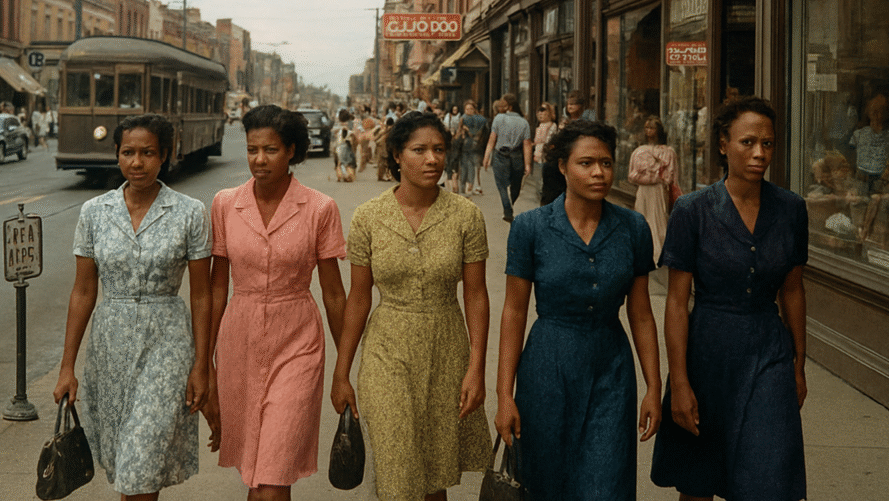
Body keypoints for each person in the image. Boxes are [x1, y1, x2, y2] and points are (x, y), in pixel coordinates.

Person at [651, 96, 809, 501]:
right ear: (723, 144)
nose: (759, 153)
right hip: (708, 354)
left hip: (768, 352)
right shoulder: (693, 210)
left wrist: (798, 365)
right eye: (748, 142)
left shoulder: (791, 209)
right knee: (699, 480)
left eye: (768, 144)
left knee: (769, 477)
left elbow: (792, 290)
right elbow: (676, 302)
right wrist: (681, 382)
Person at [495, 119, 661, 500]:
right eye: (586, 163)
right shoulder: (531, 227)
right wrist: (505, 394)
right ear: (562, 167)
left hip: (611, 369)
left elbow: (640, 314)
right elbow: (514, 312)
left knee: (607, 481)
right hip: (547, 367)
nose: (599, 172)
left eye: (605, 162)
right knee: (545, 479)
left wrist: (654, 386)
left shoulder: (633, 227)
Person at [332, 111, 492, 501]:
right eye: (419, 150)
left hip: (446, 350)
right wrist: (342, 372)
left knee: (435, 474)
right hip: (387, 351)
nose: (432, 159)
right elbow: (359, 297)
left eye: (439, 150)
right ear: (397, 156)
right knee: (396, 467)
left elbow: (475, 294)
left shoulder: (465, 216)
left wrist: (476, 369)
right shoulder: (369, 217)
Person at [53, 114, 211, 499]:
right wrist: (67, 367)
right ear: (117, 155)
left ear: (166, 156)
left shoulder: (190, 212)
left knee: (141, 463)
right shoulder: (95, 212)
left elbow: (202, 294)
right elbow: (84, 291)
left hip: (167, 345)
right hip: (111, 346)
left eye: (148, 153)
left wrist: (201, 365)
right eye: (128, 152)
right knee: (126, 463)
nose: (137, 162)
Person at [206, 104, 347, 499]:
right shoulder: (225, 204)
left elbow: (335, 295)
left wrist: (347, 366)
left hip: (298, 341)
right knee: (255, 470)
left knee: (273, 472)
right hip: (240, 340)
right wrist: (205, 362)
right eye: (252, 150)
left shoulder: (320, 208)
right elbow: (217, 289)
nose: (259, 160)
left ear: (291, 151)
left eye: (270, 150)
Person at [628, 115, 681, 262]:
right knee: (642, 217)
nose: (648, 130)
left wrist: (658, 174)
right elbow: (632, 175)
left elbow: (670, 176)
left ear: (658, 130)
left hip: (658, 190)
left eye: (651, 127)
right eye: (646, 127)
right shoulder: (640, 150)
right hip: (644, 190)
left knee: (658, 220)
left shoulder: (668, 152)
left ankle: (658, 253)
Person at [483, 94, 533, 223]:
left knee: (501, 185)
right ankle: (511, 204)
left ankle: (507, 209)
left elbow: (492, 140)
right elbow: (527, 144)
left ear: (509, 106)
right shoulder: (524, 122)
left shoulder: (498, 118)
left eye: (502, 104)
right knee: (515, 185)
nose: (500, 107)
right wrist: (528, 164)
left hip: (500, 154)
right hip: (517, 155)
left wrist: (487, 156)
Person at [849, 93, 889, 195]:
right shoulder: (858, 134)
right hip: (860, 182)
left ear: (886, 113)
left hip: (882, 184)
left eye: (880, 110)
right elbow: (851, 160)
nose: (876, 114)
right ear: (868, 112)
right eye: (873, 110)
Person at [532, 102, 558, 202]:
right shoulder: (540, 125)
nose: (541, 113)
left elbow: (549, 140)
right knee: (538, 179)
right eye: (540, 111)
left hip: (545, 155)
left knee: (544, 179)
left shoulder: (552, 125)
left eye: (544, 111)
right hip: (537, 154)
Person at [460, 101, 486, 197]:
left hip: (476, 147)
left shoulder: (479, 120)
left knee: (475, 167)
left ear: (474, 110)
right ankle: (467, 187)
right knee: (465, 167)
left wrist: (467, 130)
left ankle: (475, 186)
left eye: (471, 109)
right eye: (467, 109)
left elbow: (477, 133)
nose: (468, 111)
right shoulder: (463, 118)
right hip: (465, 147)